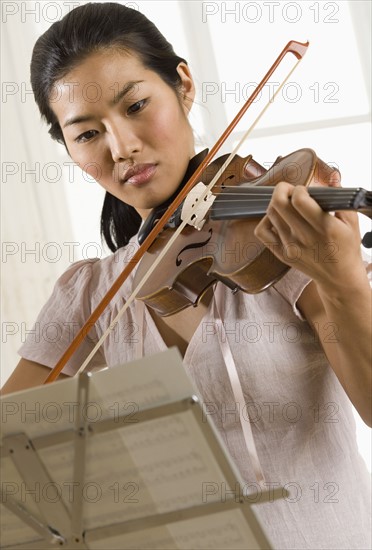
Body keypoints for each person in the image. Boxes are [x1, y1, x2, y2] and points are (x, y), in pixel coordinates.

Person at [2, 3, 371, 549]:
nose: (122, 146)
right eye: (87, 135)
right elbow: (11, 446)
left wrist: (342, 280)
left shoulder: (287, 244)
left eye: (137, 105)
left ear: (184, 85)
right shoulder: (89, 292)